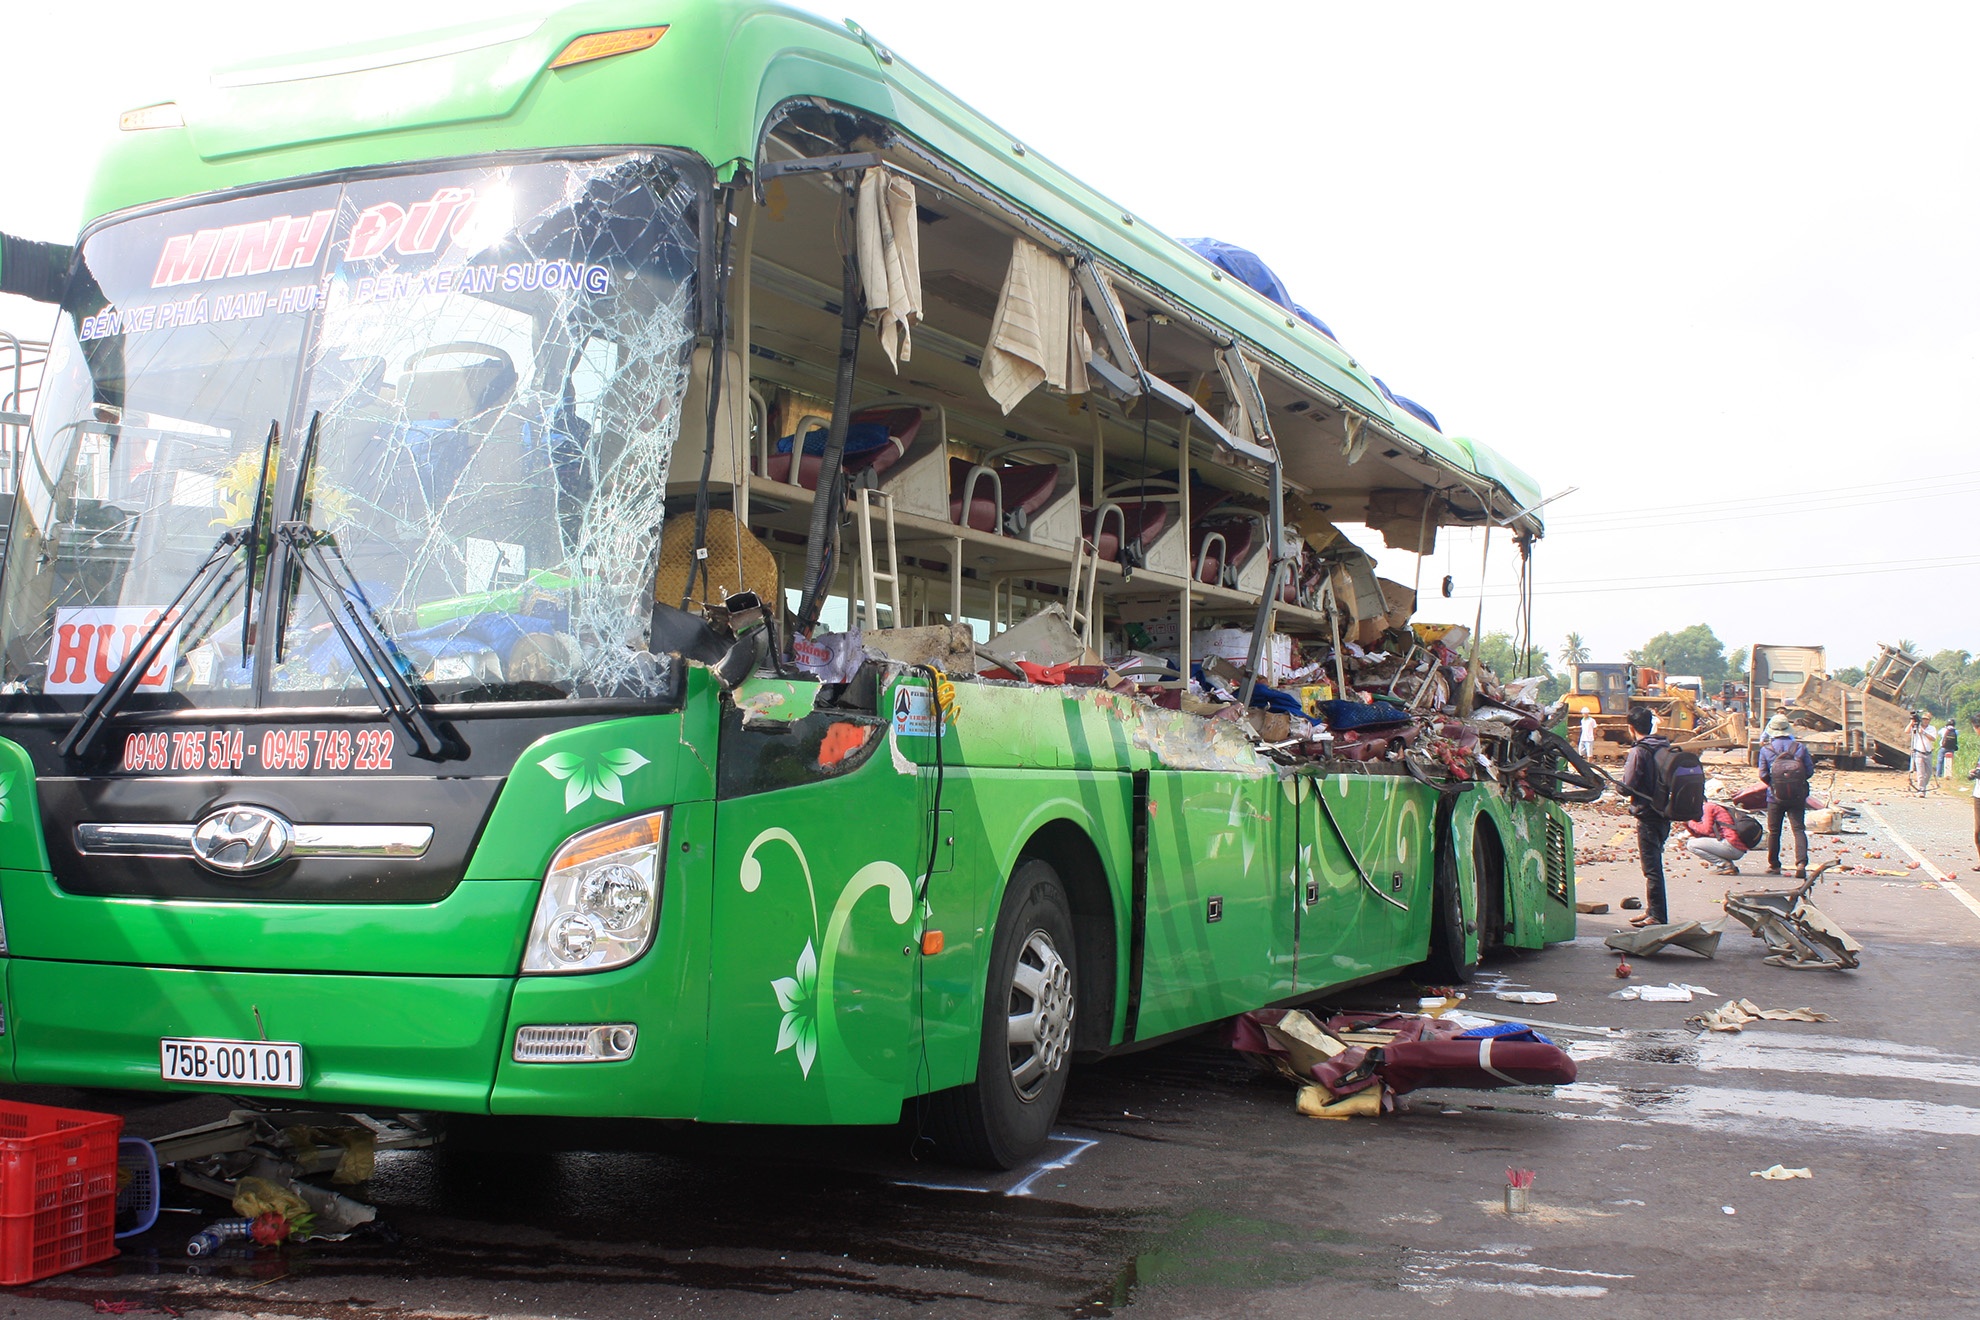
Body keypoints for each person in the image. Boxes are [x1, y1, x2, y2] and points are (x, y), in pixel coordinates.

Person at [1619, 706, 1672, 927]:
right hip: (1664, 812)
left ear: (1631, 728)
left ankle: (1657, 915)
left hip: (1648, 814)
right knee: (1654, 864)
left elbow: (1627, 786)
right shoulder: (1664, 747)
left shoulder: (1640, 751)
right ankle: (1652, 910)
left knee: (1652, 868)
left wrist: (1619, 787)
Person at [1757, 713, 1814, 880]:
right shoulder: (1799, 748)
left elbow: (1763, 774)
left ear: (1772, 731)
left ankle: (1774, 865)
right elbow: (1809, 771)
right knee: (1798, 829)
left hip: (1775, 797)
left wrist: (1775, 785)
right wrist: (1796, 784)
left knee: (1774, 831)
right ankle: (1801, 863)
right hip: (1797, 796)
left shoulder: (1766, 750)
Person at [1684, 780, 1749, 875]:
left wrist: (1690, 822)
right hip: (1736, 848)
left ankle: (1724, 865)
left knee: (1691, 844)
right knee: (1696, 842)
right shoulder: (1712, 808)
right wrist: (1687, 824)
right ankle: (1729, 866)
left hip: (1732, 847)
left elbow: (1706, 830)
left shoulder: (1707, 807)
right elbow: (1703, 836)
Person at [1908, 711, 1938, 796]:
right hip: (1918, 753)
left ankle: (1923, 787)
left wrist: (1924, 733)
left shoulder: (1932, 728)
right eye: (1924, 719)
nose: (1925, 721)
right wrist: (1912, 722)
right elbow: (1907, 731)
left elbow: (1933, 738)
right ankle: (1922, 790)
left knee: (1928, 773)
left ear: (1929, 720)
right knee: (1920, 773)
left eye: (1927, 719)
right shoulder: (1917, 727)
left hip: (1928, 752)